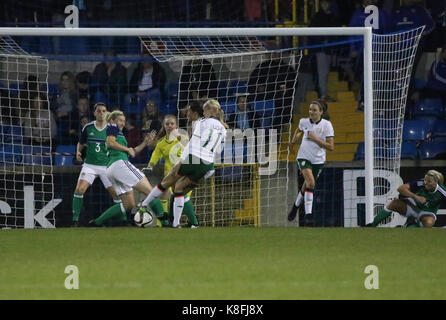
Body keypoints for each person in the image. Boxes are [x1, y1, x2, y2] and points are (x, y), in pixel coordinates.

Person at [140, 99, 228, 228]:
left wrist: (181, 162)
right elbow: (219, 150)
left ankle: (143, 205)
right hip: (207, 163)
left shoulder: (201, 122)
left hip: (194, 158)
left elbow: (192, 144)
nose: (203, 113)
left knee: (167, 182)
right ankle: (176, 224)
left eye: (205, 110)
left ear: (211, 110)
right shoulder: (224, 129)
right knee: (179, 188)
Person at [88, 110, 164, 227]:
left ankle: (96, 222)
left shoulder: (118, 135)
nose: (122, 123)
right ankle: (165, 221)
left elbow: (132, 152)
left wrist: (145, 142)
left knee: (128, 204)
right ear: (113, 120)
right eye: (120, 120)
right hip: (119, 164)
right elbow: (110, 143)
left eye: (124, 121)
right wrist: (127, 149)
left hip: (111, 169)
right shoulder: (112, 127)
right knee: (150, 191)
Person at [144, 113, 199, 228]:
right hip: (169, 176)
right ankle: (162, 224)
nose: (170, 126)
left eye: (172, 123)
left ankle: (194, 223)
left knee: (182, 196)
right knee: (164, 196)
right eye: (167, 124)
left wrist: (178, 136)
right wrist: (150, 165)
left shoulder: (183, 138)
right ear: (164, 126)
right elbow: (155, 156)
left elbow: (190, 150)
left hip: (184, 174)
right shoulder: (162, 143)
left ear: (176, 125)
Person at [72, 102, 120, 227]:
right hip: (90, 165)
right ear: (94, 113)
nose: (101, 113)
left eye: (104, 111)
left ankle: (122, 220)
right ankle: (75, 220)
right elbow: (81, 142)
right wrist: (78, 152)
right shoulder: (88, 127)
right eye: (99, 111)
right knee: (79, 189)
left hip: (106, 166)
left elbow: (117, 144)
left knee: (116, 194)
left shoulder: (112, 128)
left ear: (107, 113)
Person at [287, 99, 334, 227]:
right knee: (311, 182)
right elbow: (298, 131)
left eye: (314, 110)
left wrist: (315, 139)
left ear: (321, 112)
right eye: (310, 109)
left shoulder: (327, 125)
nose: (311, 112)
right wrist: (293, 141)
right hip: (303, 157)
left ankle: (296, 206)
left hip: (318, 160)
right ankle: (308, 217)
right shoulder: (304, 121)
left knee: (307, 185)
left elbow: (331, 147)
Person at [366, 170, 445, 228]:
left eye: (429, 181)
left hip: (428, 213)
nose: (425, 183)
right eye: (425, 180)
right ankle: (372, 225)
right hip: (413, 206)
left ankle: (409, 225)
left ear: (436, 182)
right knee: (394, 203)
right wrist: (416, 197)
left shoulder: (442, 192)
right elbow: (401, 189)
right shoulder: (420, 183)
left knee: (428, 223)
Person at [308, 0, 340, 101]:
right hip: (320, 50)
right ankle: (322, 95)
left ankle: (325, 94)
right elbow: (313, 35)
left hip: (330, 49)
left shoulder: (333, 17)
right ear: (321, 4)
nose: (326, 5)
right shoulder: (317, 17)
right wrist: (322, 41)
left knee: (327, 73)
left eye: (327, 3)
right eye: (324, 3)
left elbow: (336, 33)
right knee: (322, 73)